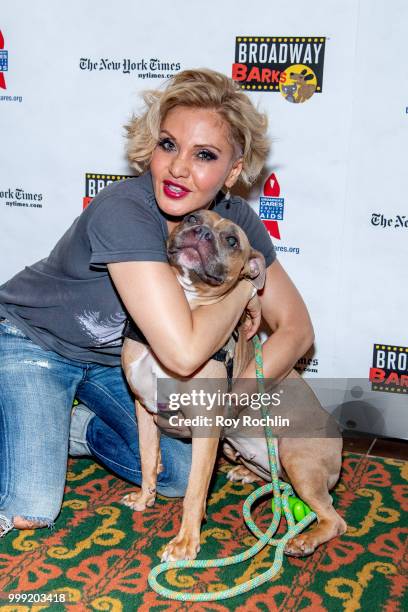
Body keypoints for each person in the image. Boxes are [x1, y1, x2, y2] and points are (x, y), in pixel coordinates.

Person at [0, 68, 314, 537]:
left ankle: (72, 426)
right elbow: (184, 353)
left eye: (204, 155)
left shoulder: (236, 224)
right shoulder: (125, 210)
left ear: (232, 171)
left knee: (179, 476)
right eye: (169, 145)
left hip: (113, 363)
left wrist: (236, 399)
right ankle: (26, 410)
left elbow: (297, 329)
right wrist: (246, 288)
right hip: (34, 343)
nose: (179, 167)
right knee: (32, 508)